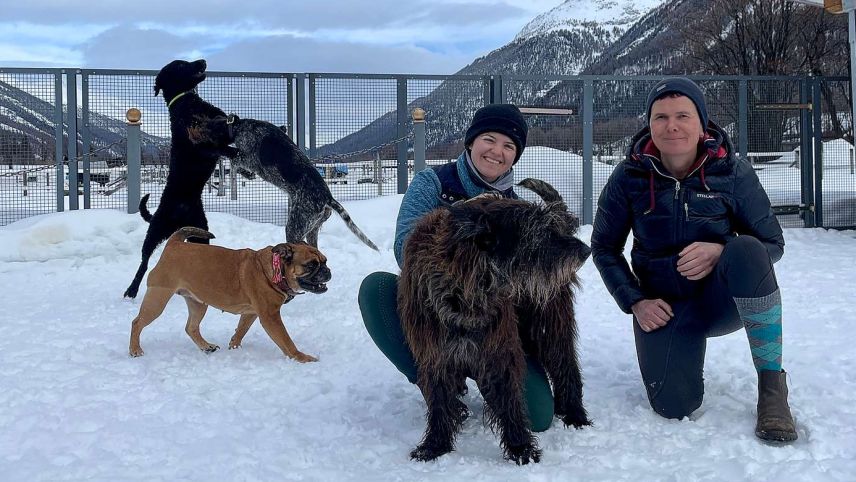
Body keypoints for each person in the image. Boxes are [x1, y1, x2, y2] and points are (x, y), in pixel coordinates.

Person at [591, 77, 797, 442]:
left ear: (702, 124)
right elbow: (604, 247)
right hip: (663, 306)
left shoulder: (733, 173)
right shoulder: (629, 177)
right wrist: (635, 301)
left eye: (683, 115)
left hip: (720, 300)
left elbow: (773, 243)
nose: (672, 125)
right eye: (661, 117)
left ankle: (771, 386)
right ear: (650, 125)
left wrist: (720, 250)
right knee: (674, 405)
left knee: (747, 248)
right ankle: (680, 353)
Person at [358, 104, 558, 432]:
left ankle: (491, 376)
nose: (497, 151)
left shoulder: (518, 206)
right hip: (436, 311)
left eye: (509, 146)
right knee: (376, 290)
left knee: (536, 417)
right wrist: (457, 248)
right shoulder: (433, 183)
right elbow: (404, 246)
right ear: (470, 142)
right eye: (489, 140)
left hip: (496, 325)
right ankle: (438, 383)